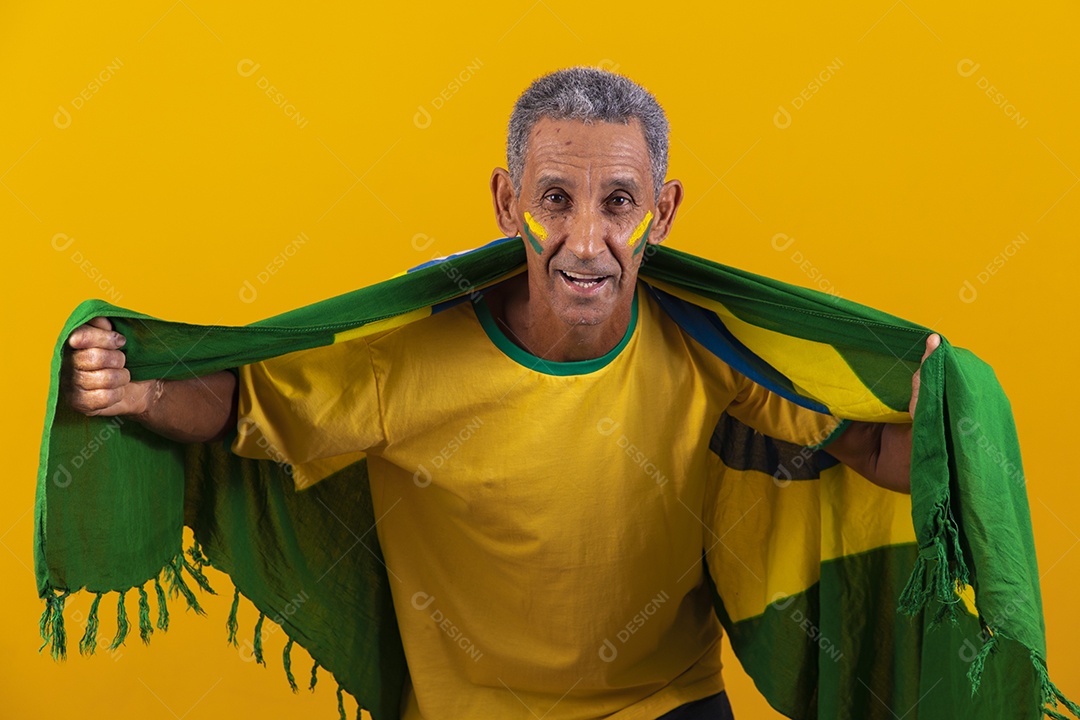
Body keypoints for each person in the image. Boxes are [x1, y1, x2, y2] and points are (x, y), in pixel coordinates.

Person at [61, 67, 939, 720]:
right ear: (504, 198)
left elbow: (864, 446)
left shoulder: (706, 341)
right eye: (554, 199)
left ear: (662, 215)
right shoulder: (409, 353)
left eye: (618, 202)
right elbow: (243, 405)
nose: (587, 241)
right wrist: (137, 394)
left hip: (668, 705)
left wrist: (955, 424)